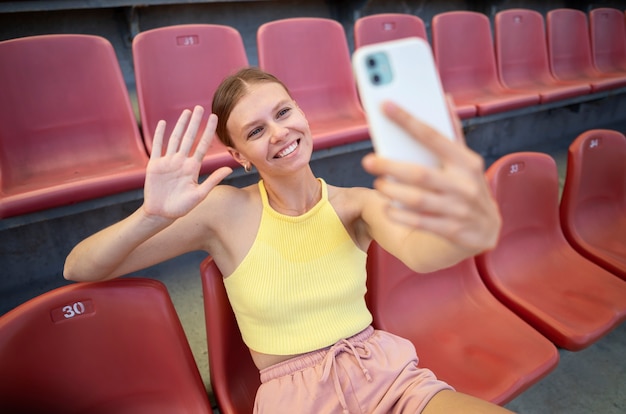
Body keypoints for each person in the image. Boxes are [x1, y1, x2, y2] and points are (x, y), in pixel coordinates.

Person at [64, 67, 508, 413]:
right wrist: (150, 216)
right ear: (238, 156)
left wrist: (464, 220)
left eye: (283, 112)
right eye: (255, 131)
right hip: (294, 399)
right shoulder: (223, 212)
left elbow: (425, 253)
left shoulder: (356, 204)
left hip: (386, 375)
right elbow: (80, 268)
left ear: (301, 112)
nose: (278, 133)